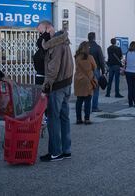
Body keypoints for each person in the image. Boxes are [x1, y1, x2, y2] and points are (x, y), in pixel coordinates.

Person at [40, 21, 74, 162]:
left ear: (48, 29)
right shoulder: (64, 41)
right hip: (66, 84)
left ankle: (55, 152)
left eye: (41, 32)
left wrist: (45, 88)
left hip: (57, 86)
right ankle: (66, 150)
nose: (41, 36)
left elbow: (52, 69)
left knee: (53, 119)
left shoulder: (56, 44)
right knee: (64, 118)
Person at [74, 41, 97, 125]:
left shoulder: (77, 57)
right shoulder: (90, 57)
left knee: (79, 101)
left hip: (78, 80)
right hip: (87, 80)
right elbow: (95, 67)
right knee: (87, 100)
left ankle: (78, 119)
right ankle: (87, 119)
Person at [88, 32, 105, 112]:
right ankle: (94, 107)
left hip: (85, 70)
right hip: (95, 70)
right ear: (94, 38)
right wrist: (103, 71)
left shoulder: (84, 47)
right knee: (95, 89)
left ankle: (86, 106)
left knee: (87, 88)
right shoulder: (97, 47)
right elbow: (101, 60)